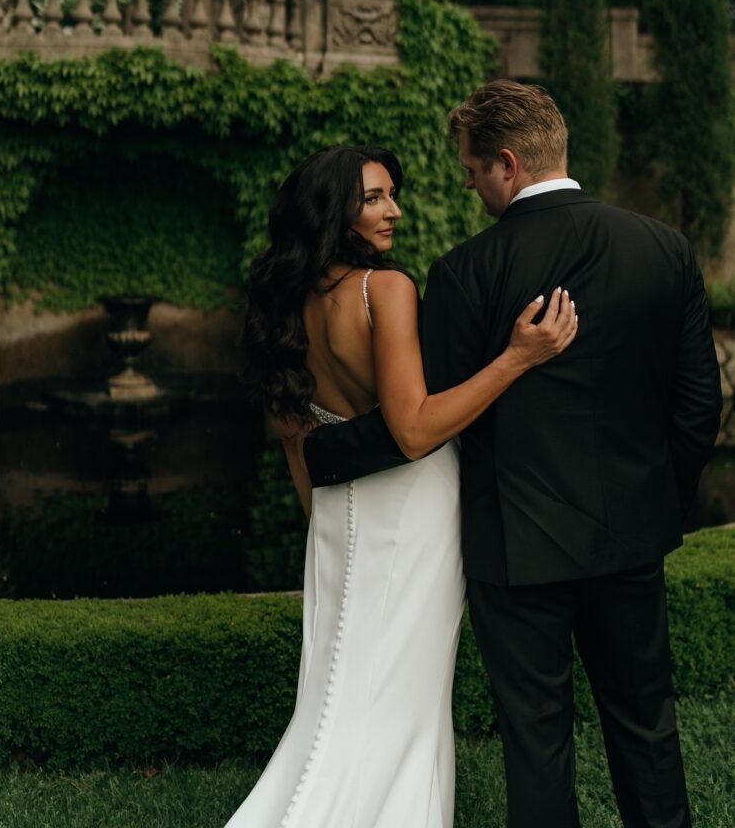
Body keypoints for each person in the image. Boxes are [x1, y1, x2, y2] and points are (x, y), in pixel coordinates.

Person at [304, 81, 723, 828]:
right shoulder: (662, 247)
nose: (468, 187)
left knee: (537, 744)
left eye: (470, 172)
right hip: (629, 536)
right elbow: (696, 408)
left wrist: (322, 450)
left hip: (515, 548)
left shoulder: (466, 272)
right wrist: (656, 501)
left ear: (505, 163)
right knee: (647, 728)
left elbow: (427, 418)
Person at [225, 144, 576, 828]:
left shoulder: (288, 302)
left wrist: (321, 521)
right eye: (375, 198)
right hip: (412, 507)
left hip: (334, 509)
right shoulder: (384, 289)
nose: (394, 210)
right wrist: (517, 358)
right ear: (334, 210)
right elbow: (412, 430)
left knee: (337, 688)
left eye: (391, 194)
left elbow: (295, 434)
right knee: (405, 692)